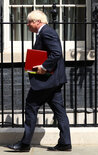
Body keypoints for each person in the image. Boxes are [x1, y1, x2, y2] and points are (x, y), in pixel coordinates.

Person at [7, 10, 71, 152]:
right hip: (53, 81)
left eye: (29, 22)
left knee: (31, 106)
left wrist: (43, 67)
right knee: (59, 111)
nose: (27, 25)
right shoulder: (44, 32)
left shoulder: (46, 32)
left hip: (47, 81)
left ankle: (24, 144)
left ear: (38, 22)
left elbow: (56, 52)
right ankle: (65, 142)